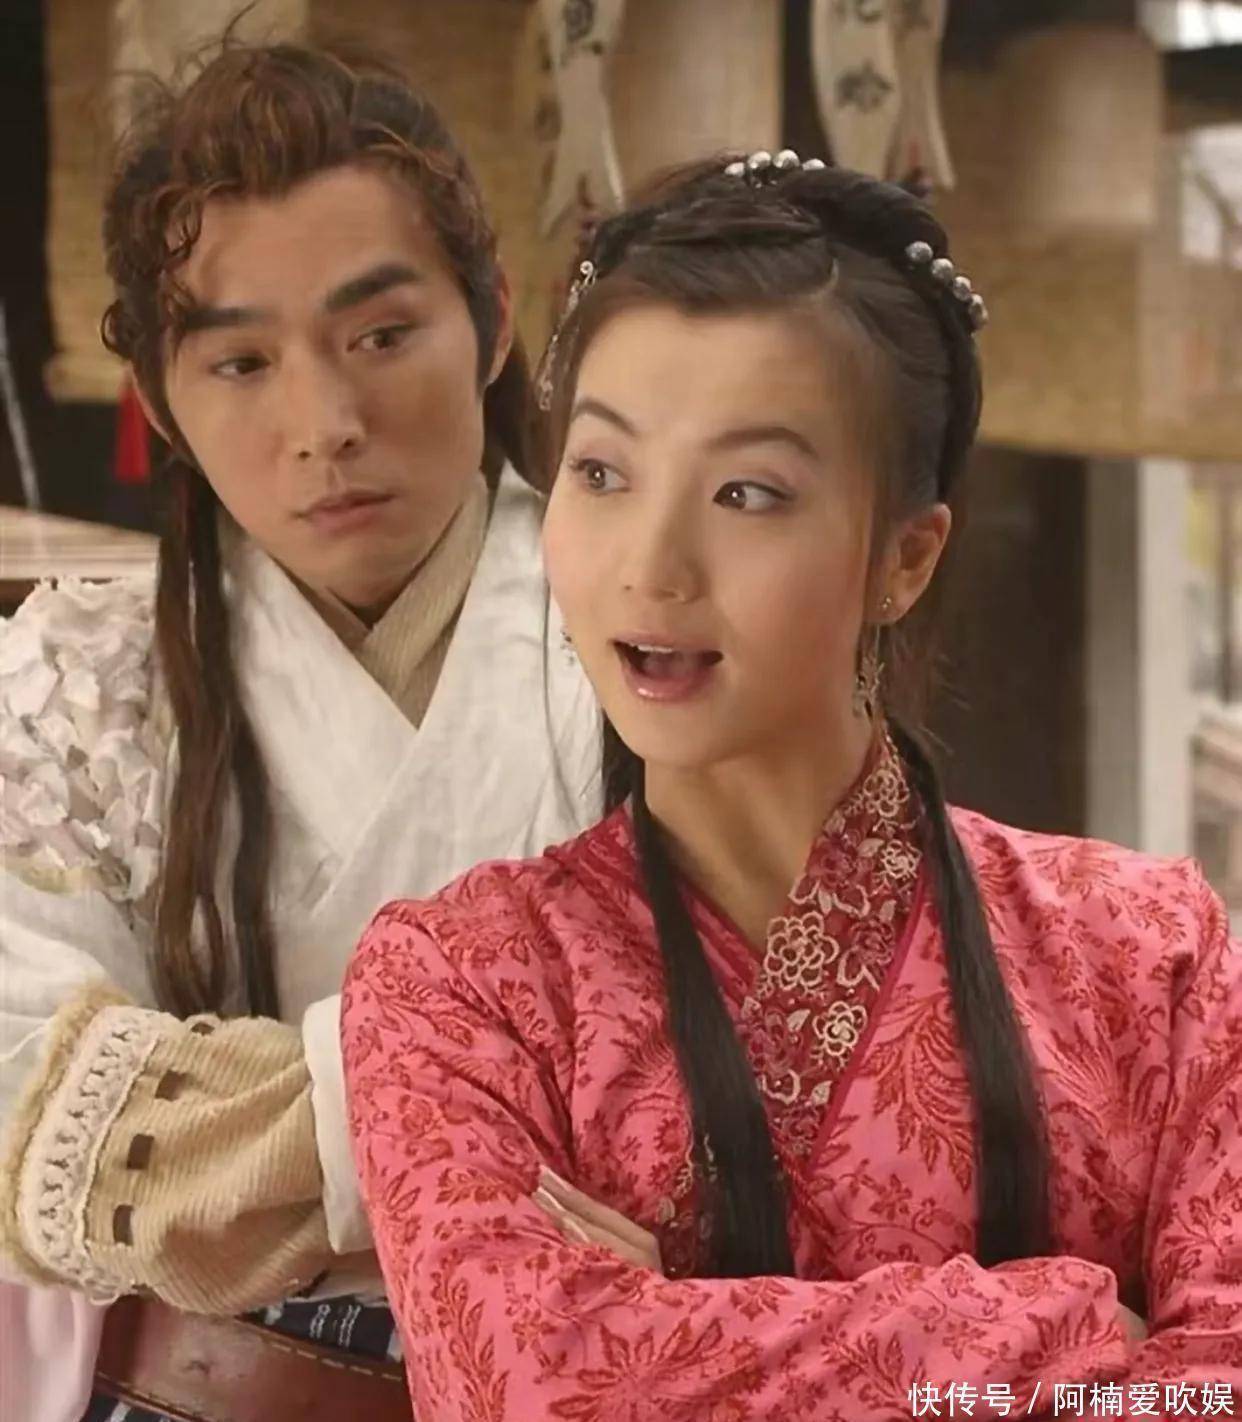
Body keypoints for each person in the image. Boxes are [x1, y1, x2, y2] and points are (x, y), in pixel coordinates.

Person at [342, 151, 1242, 1420]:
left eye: (747, 493)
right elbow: (536, 1388)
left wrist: (676, 1328)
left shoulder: (1150, 957)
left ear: (905, 559)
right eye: (602, 474)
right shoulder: (459, 987)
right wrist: (1074, 1326)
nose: (651, 565)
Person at [0, 41, 599, 1422]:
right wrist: (495, 1135)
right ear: (159, 398)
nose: (324, 423)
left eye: (381, 336)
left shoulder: (652, 633)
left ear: (492, 320)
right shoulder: (83, 682)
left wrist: (248, 1143)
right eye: (241, 361)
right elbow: (27, 1084)